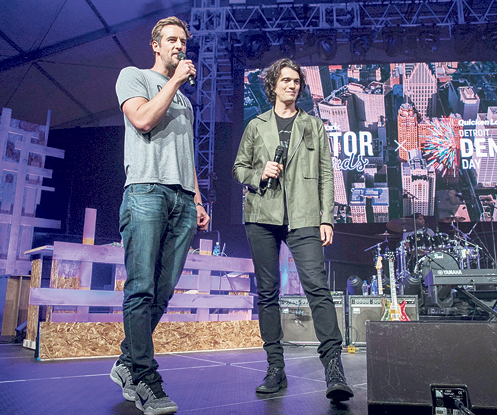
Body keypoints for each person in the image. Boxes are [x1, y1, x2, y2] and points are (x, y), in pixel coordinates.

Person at [232, 58, 354, 402]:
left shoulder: (313, 125)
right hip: (261, 216)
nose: (291, 85)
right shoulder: (256, 125)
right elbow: (239, 168)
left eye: (296, 81)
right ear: (273, 86)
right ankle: (275, 368)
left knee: (317, 288)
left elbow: (328, 173)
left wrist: (326, 217)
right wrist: (259, 172)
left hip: (303, 217)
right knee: (268, 293)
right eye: (285, 80)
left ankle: (334, 368)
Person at [109, 16, 209, 415]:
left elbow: (185, 157)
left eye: (183, 41)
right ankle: (146, 377)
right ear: (155, 44)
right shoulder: (132, 77)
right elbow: (144, 120)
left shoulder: (183, 100)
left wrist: (198, 201)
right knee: (141, 288)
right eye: (171, 40)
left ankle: (126, 363)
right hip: (146, 192)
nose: (179, 46)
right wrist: (175, 82)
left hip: (183, 200)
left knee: (164, 291)